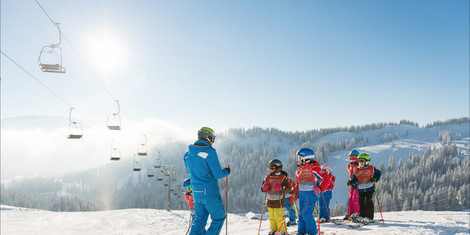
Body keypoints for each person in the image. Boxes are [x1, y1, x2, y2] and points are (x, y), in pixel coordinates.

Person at [183, 127, 230, 235]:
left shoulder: (187, 155)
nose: (212, 142)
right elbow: (218, 174)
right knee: (219, 218)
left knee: (199, 220)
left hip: (196, 193)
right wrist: (226, 171)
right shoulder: (209, 152)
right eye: (212, 139)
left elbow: (192, 174)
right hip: (210, 193)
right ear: (208, 137)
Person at [295, 148, 328, 235]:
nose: (298, 160)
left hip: (310, 195)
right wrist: (296, 193)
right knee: (301, 214)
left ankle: (312, 232)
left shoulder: (314, 168)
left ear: (306, 159)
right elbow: (298, 183)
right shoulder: (299, 170)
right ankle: (301, 231)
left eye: (299, 158)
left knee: (306, 214)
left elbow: (326, 178)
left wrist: (320, 188)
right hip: (302, 195)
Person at [260, 159, 291, 235]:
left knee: (279, 217)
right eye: (269, 167)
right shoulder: (267, 177)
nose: (270, 169)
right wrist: (264, 187)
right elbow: (262, 189)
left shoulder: (282, 178)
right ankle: (273, 229)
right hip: (270, 201)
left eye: (272, 167)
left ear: (278, 168)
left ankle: (282, 231)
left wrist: (281, 188)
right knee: (272, 217)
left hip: (279, 202)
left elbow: (288, 188)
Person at [348, 153, 381, 223]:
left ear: (366, 161)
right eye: (359, 161)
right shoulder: (357, 169)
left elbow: (378, 173)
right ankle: (362, 216)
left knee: (368, 201)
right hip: (361, 188)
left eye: (362, 161)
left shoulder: (371, 168)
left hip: (369, 188)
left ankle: (369, 217)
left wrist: (375, 179)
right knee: (361, 202)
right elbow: (355, 178)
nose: (360, 163)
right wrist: (351, 182)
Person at [344, 150, 360, 220]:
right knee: (350, 200)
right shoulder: (349, 165)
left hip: (358, 185)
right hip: (352, 185)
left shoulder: (359, 165)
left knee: (355, 199)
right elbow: (351, 174)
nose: (352, 159)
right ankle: (350, 213)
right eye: (350, 157)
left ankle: (357, 213)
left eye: (354, 157)